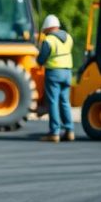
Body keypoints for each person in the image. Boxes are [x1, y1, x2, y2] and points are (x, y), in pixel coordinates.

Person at [37, 14, 74, 143]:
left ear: (47, 28)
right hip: (68, 72)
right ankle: (69, 131)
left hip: (54, 73)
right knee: (65, 102)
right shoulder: (68, 37)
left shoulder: (49, 40)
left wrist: (38, 62)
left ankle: (54, 132)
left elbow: (42, 58)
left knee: (53, 102)